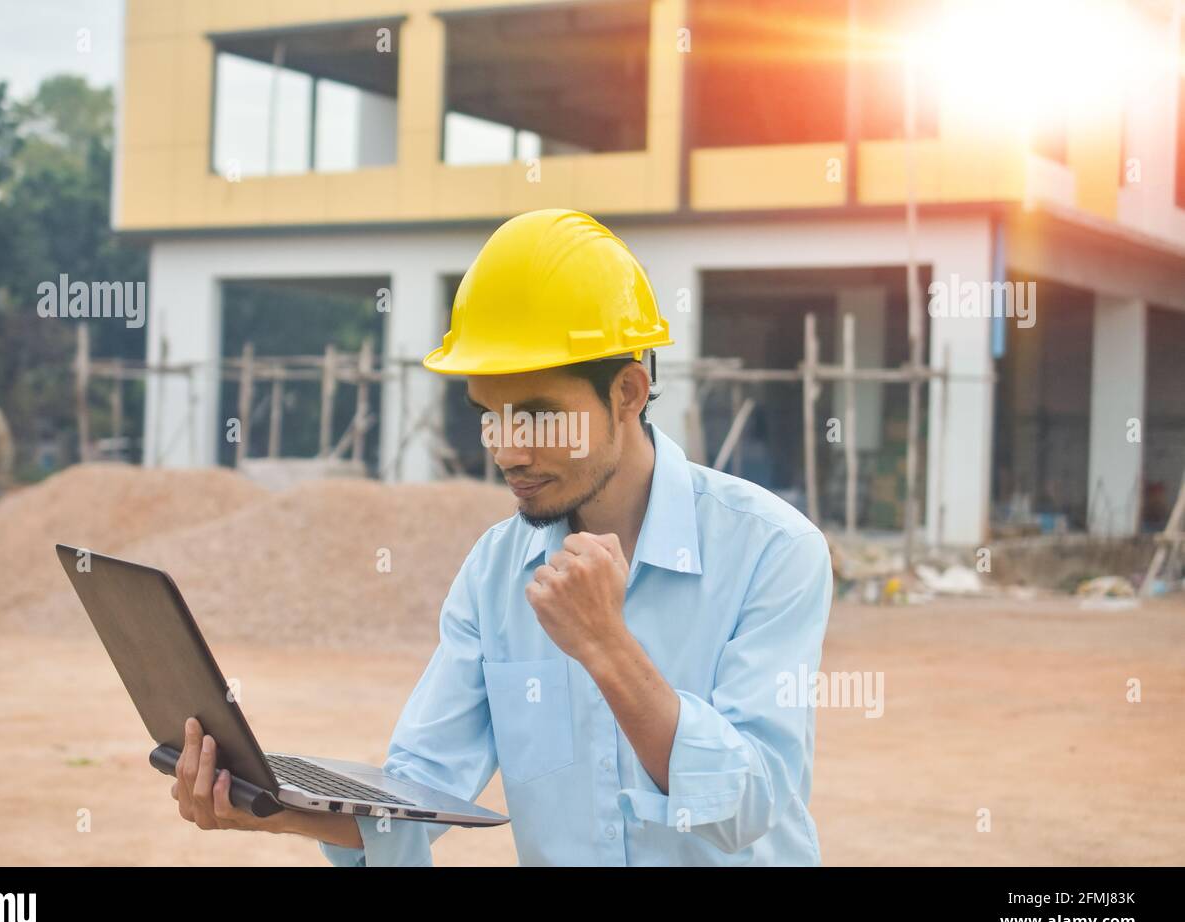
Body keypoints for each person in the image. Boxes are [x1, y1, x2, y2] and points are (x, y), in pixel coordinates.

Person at [171, 208, 833, 865]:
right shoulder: (495, 573)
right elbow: (420, 788)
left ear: (628, 392)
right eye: (491, 417)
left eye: (538, 416)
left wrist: (606, 645)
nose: (509, 451)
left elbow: (751, 804)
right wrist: (276, 806)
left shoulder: (772, 552)